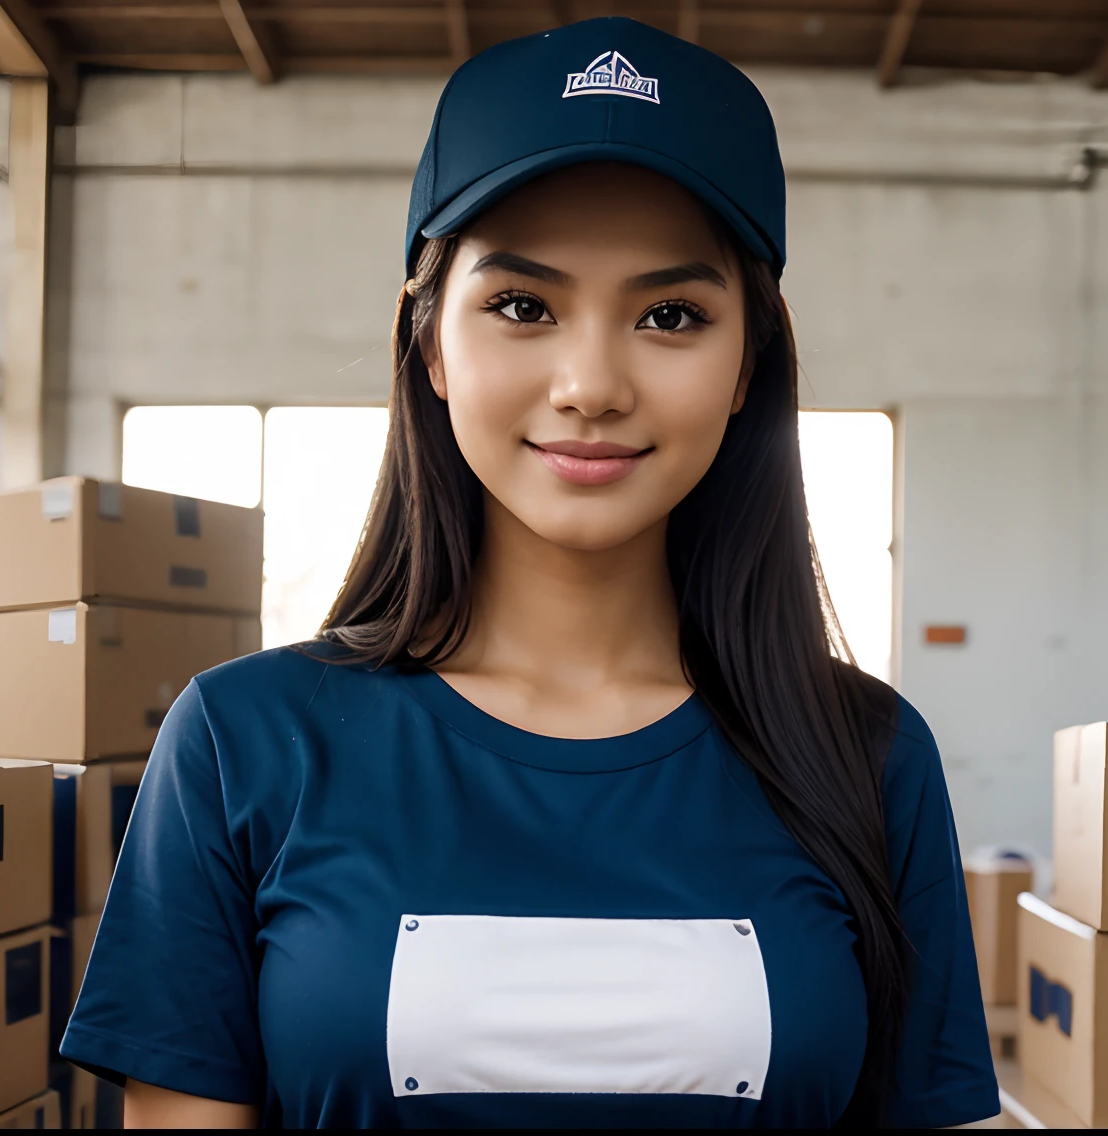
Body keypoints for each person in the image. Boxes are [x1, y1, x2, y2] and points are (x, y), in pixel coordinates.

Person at [59, 16, 998, 1129]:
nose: (590, 382)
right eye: (520, 305)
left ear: (749, 361)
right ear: (430, 346)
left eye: (669, 314)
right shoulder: (244, 741)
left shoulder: (867, 755)